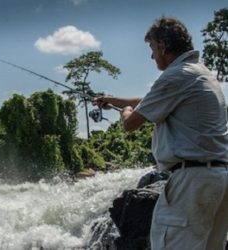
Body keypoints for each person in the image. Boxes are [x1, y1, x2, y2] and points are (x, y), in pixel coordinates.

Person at [93, 16, 228, 250]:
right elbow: (150, 100)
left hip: (191, 182)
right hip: (217, 178)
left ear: (163, 46)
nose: (151, 55)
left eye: (153, 48)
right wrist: (115, 99)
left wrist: (124, 110)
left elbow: (131, 123)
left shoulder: (175, 76)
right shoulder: (200, 73)